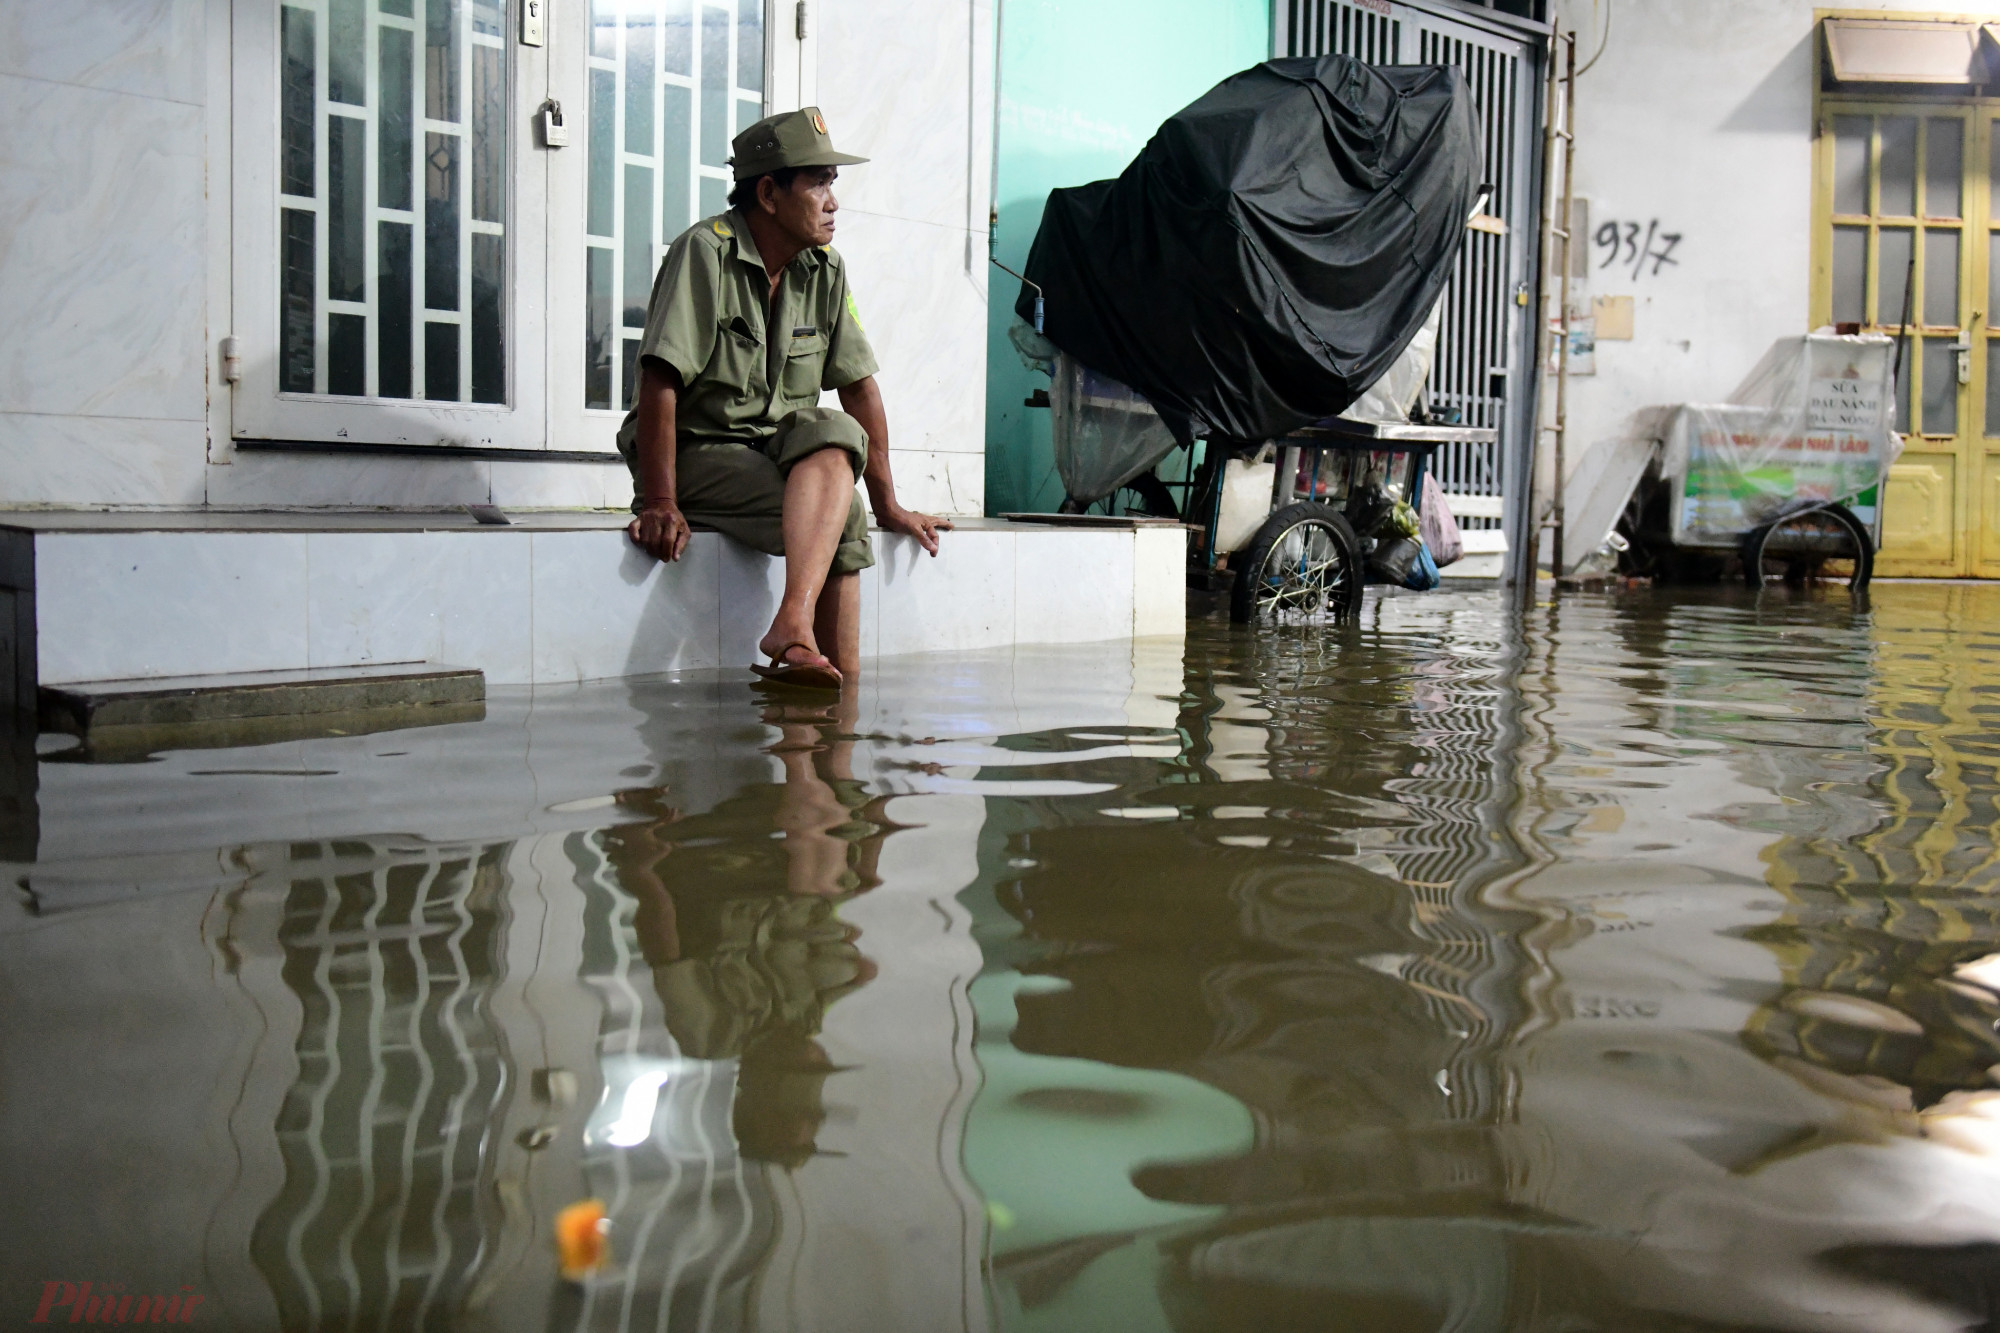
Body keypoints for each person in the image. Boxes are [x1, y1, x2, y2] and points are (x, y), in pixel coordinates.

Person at [619, 106, 950, 689]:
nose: (833, 201)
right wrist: (659, 499)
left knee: (840, 435)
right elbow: (660, 382)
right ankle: (834, 698)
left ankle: (800, 642)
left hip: (775, 452)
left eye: (832, 183)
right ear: (769, 193)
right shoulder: (704, 253)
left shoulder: (825, 269)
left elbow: (859, 387)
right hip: (700, 453)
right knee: (843, 514)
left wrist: (890, 503)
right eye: (818, 183)